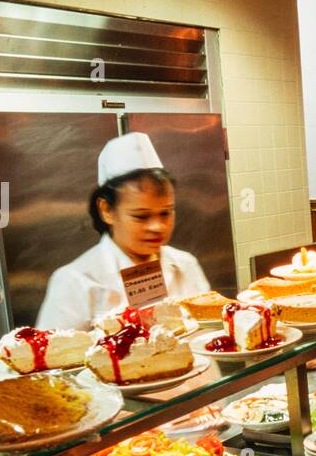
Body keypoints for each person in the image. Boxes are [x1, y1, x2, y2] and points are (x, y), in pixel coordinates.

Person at [36, 132, 209, 330]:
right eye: (141, 216)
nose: (157, 226)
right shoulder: (74, 281)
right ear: (107, 210)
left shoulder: (185, 264)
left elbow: (208, 336)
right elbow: (53, 356)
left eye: (165, 213)